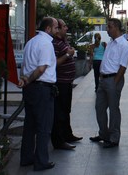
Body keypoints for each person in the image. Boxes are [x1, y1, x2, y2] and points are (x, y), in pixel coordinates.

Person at [18, 17, 59, 171]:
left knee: (30, 125)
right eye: (55, 27)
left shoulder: (31, 42)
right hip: (42, 89)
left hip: (30, 90)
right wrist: (28, 80)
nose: (57, 30)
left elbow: (24, 66)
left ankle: (26, 157)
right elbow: (41, 69)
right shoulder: (46, 44)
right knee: (44, 126)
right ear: (48, 28)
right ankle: (41, 161)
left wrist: (25, 80)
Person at [90, 18, 128, 148]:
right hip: (103, 80)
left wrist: (115, 82)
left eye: (109, 27)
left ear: (116, 28)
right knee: (99, 108)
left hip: (113, 80)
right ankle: (103, 134)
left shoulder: (124, 45)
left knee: (113, 110)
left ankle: (114, 138)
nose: (107, 30)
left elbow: (123, 67)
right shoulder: (111, 43)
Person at [51, 19, 83, 150]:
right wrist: (67, 54)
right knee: (60, 112)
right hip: (60, 82)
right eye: (64, 26)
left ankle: (67, 134)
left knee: (66, 110)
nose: (66, 28)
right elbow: (54, 63)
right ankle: (59, 140)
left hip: (67, 82)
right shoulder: (54, 44)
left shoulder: (63, 41)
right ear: (57, 29)